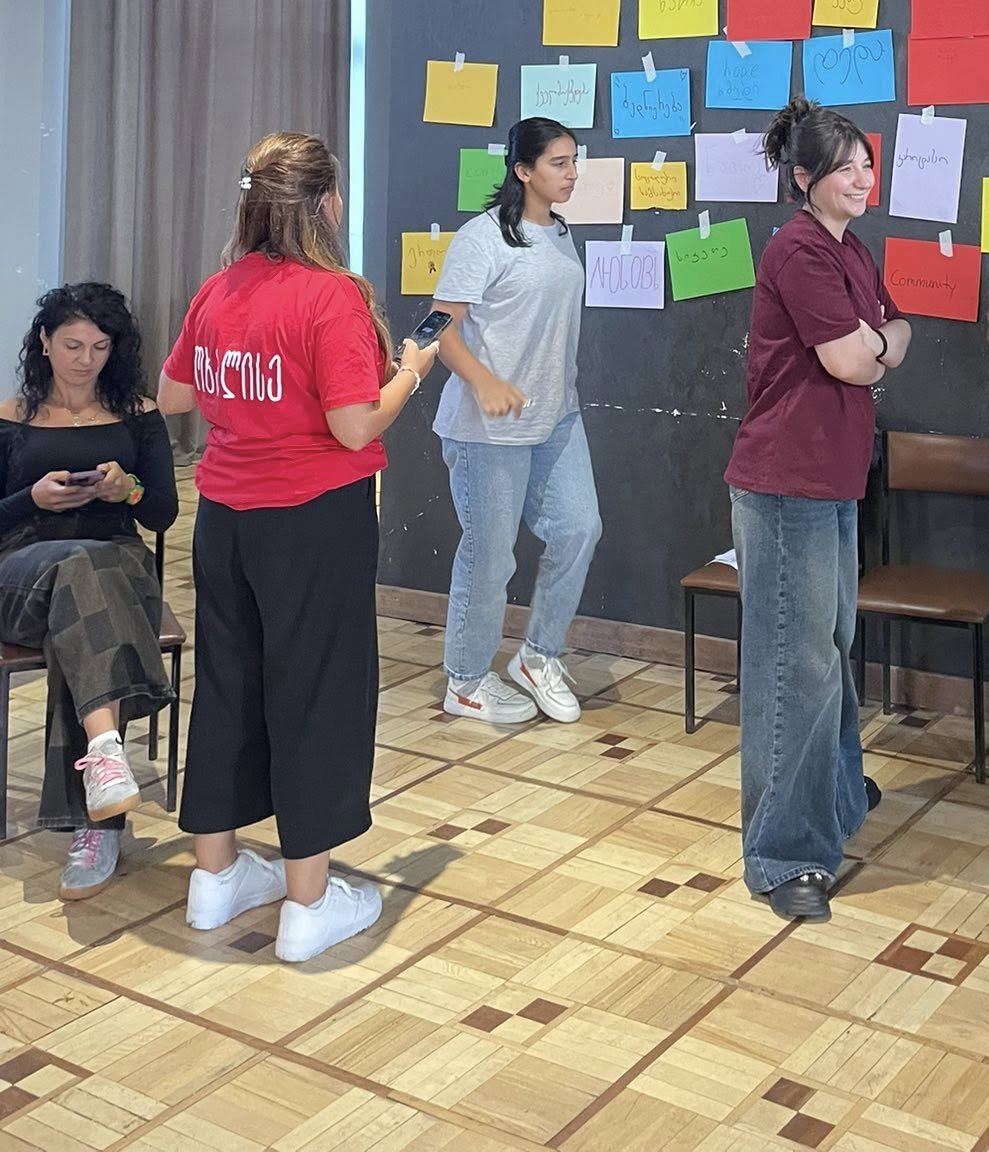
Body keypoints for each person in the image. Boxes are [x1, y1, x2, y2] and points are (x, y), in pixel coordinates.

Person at [158, 132, 438, 963]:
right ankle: (308, 904)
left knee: (228, 685)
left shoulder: (218, 289)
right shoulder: (332, 296)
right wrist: (410, 372)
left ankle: (214, 878)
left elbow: (174, 394)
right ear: (324, 204)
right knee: (316, 692)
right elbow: (354, 426)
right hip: (314, 521)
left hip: (223, 518)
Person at [725, 96, 911, 923]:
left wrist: (879, 342)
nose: (863, 180)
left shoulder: (851, 248)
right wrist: (876, 345)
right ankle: (783, 853)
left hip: (832, 479)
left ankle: (833, 798)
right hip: (785, 484)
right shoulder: (798, 250)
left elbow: (897, 333)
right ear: (804, 179)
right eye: (845, 170)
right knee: (791, 666)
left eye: (868, 165)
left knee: (828, 651)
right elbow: (852, 362)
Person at [0, 284, 178, 898]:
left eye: (100, 347)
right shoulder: (9, 417)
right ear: (44, 342)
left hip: (116, 565)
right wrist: (32, 499)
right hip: (22, 570)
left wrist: (127, 490)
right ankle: (103, 785)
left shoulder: (140, 415)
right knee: (83, 575)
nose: (86, 359)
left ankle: (101, 787)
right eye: (73, 345)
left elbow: (161, 514)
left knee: (85, 597)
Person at [432, 117, 600, 726]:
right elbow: (438, 328)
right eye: (559, 163)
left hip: (557, 417)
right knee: (491, 556)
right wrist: (484, 382)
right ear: (523, 170)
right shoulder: (481, 238)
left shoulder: (561, 233)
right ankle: (465, 680)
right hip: (486, 429)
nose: (572, 173)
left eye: (575, 161)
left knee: (579, 529)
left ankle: (537, 655)